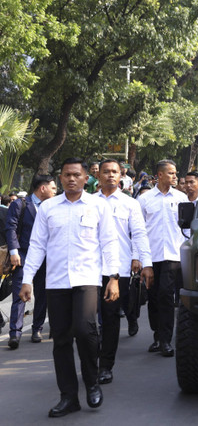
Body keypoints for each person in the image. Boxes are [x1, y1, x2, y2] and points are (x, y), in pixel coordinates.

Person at [19, 158, 120, 417]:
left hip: (87, 279)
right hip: (56, 282)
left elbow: (109, 242)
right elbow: (38, 245)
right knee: (61, 339)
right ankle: (68, 396)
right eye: (66, 175)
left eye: (77, 174)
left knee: (86, 332)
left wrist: (113, 277)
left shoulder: (98, 205)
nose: (71, 179)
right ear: (60, 178)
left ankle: (92, 382)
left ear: (87, 178)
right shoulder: (49, 208)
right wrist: (27, 279)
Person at [95, 159, 154, 384]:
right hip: (89, 269)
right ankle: (91, 359)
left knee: (110, 318)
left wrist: (143, 262)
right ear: (98, 175)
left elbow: (139, 234)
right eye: (106, 172)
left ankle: (105, 365)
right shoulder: (88, 202)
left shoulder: (130, 204)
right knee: (86, 322)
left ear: (121, 176)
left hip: (117, 271)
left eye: (114, 172)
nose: (110, 175)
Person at [138, 159, 188, 357]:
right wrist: (139, 258)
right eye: (171, 173)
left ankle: (166, 340)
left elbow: (188, 228)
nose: (175, 176)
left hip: (173, 255)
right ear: (159, 175)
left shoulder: (182, 197)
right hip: (151, 256)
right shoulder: (145, 199)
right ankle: (157, 336)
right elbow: (139, 231)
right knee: (153, 298)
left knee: (166, 296)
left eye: (175, 173)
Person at [5, 175, 57, 348]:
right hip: (24, 255)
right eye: (53, 188)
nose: (55, 191)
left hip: (46, 256)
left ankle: (37, 329)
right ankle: (15, 333)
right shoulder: (20, 204)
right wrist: (14, 252)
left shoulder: (53, 207)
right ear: (43, 188)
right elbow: (10, 227)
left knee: (42, 293)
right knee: (20, 293)